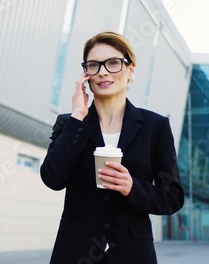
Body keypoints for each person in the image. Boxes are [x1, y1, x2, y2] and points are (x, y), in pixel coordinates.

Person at [40, 30, 184, 264]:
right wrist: (78, 116)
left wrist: (132, 188)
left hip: (132, 253)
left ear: (130, 69)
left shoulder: (154, 126)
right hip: (75, 251)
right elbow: (52, 178)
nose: (103, 71)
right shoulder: (70, 123)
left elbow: (172, 197)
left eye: (114, 63)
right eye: (94, 65)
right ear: (86, 74)